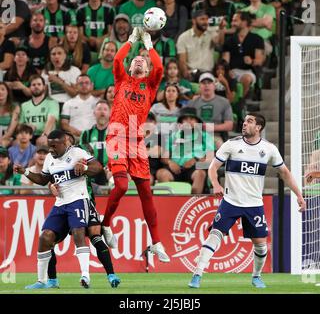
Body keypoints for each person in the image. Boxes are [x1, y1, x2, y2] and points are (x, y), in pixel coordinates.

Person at [188, 113, 306, 289]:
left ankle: (256, 276)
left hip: (254, 205)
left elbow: (285, 173)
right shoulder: (231, 145)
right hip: (230, 202)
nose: (244, 124)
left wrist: (299, 194)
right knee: (215, 235)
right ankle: (197, 275)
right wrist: (216, 184)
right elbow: (213, 167)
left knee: (261, 245)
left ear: (258, 127)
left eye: (249, 122)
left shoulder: (269, 149)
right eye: (244, 121)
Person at [101, 27, 170, 263]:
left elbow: (159, 68)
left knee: (146, 194)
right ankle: (106, 225)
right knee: (120, 186)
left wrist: (149, 46)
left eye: (143, 61)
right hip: (117, 136)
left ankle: (157, 242)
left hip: (137, 142)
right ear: (130, 68)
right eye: (136, 61)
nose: (139, 62)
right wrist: (130, 40)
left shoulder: (150, 88)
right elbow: (118, 58)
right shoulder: (121, 80)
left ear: (147, 69)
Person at [14, 129, 104, 289]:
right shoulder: (49, 158)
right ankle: (42, 281)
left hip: (78, 199)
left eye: (54, 146)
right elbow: (43, 180)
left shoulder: (77, 152)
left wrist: (84, 168)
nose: (51, 150)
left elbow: (97, 167)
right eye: (49, 146)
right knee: (45, 238)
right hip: (60, 203)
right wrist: (26, 172)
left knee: (78, 234)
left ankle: (85, 276)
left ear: (65, 143)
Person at [45, 133, 120, 289]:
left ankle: (111, 275)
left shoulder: (83, 159)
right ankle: (52, 279)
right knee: (49, 240)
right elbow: (54, 178)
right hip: (68, 205)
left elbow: (98, 172)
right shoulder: (63, 159)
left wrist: (86, 166)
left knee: (95, 237)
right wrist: (51, 186)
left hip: (87, 203)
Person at [156, 107, 215, 194]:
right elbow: (164, 157)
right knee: (161, 173)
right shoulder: (173, 136)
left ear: (197, 122)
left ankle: (193, 203)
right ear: (181, 123)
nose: (189, 122)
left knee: (200, 173)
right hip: (175, 168)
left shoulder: (205, 136)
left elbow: (210, 158)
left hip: (194, 169)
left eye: (192, 119)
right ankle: (168, 204)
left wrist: (195, 160)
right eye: (185, 119)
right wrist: (170, 162)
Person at [19, 75, 60, 146]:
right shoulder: (24, 105)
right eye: (33, 85)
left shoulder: (52, 102)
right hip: (28, 136)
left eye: (39, 84)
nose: (36, 87)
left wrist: (45, 135)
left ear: (44, 87)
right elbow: (20, 125)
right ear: (29, 88)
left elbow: (51, 120)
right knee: (16, 143)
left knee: (41, 142)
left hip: (47, 135)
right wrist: (27, 126)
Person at [79, 100, 111, 186]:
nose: (102, 112)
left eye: (105, 109)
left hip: (111, 171)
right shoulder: (86, 134)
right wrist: (96, 168)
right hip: (92, 171)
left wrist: (110, 167)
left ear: (110, 113)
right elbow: (84, 155)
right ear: (94, 113)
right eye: (99, 109)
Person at [0, 82, 20, 148]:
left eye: (3, 89)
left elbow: (11, 129)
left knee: (3, 143)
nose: (0, 92)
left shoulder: (15, 107)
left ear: (7, 92)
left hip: (8, 137)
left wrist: (3, 138)